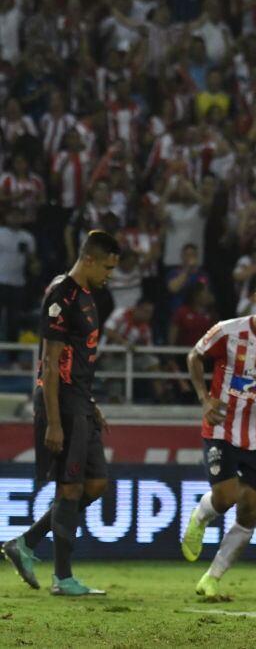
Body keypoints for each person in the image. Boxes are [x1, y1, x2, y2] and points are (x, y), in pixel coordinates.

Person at [2, 230, 120, 596]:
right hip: (62, 403)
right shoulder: (61, 295)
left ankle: (24, 542)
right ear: (88, 259)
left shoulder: (86, 296)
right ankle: (63, 578)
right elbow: (50, 363)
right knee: (69, 489)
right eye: (107, 267)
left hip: (80, 400)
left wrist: (91, 402)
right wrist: (54, 421)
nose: (110, 275)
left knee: (95, 484)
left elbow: (77, 357)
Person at [179, 271, 256, 597]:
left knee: (250, 509)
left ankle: (213, 577)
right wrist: (204, 398)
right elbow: (194, 356)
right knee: (226, 496)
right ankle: (199, 516)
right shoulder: (228, 331)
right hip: (221, 425)